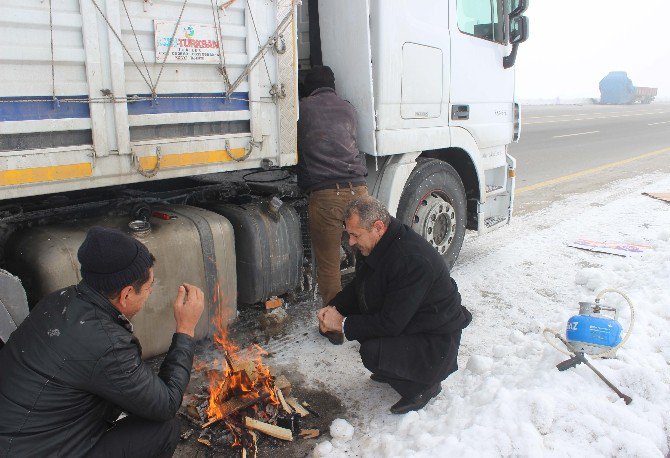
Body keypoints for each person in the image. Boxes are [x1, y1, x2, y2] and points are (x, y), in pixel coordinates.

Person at [0, 226, 205, 457]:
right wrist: (185, 329)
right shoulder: (106, 344)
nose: (149, 294)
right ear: (126, 294)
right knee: (162, 429)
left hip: (18, 437)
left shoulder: (58, 300)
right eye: (148, 288)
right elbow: (166, 404)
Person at [317, 196, 472, 414]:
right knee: (364, 328)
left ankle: (424, 386)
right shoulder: (377, 244)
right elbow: (360, 286)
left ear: (378, 227)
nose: (350, 242)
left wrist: (342, 323)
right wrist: (335, 307)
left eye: (355, 235)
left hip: (436, 344)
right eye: (349, 234)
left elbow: (390, 324)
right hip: (411, 323)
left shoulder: (411, 260)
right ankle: (395, 367)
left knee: (372, 351)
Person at [297, 65, 369, 307]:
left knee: (329, 266)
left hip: (327, 194)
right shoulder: (348, 108)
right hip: (359, 191)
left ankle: (333, 326)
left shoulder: (303, 108)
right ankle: (371, 308)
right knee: (369, 256)